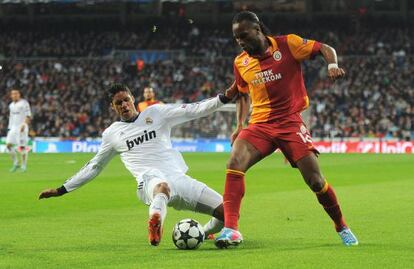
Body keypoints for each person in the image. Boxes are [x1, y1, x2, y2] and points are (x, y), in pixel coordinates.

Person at [215, 11, 358, 248]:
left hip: (290, 122)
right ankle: (231, 229)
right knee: (234, 163)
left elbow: (324, 47)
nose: (240, 41)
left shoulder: (288, 44)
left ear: (258, 30)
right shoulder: (241, 62)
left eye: (244, 35)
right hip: (260, 125)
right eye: (236, 37)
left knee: (315, 180)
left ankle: (341, 225)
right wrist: (239, 126)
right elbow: (242, 95)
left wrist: (332, 64)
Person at [39, 83, 236, 246]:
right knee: (162, 187)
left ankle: (203, 231)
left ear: (133, 98)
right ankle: (155, 223)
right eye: (118, 103)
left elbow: (194, 109)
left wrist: (224, 97)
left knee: (227, 211)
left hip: (179, 178)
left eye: (126, 100)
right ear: (113, 107)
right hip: (149, 181)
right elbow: (94, 166)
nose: (124, 105)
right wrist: (62, 189)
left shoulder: (156, 113)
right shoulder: (112, 134)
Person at [6, 88, 31, 172]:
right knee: (8, 145)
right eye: (13, 94)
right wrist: (10, 127)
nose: (14, 95)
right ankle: (16, 163)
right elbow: (11, 117)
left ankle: (23, 166)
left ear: (19, 94)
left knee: (22, 147)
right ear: (11, 95)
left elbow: (28, 115)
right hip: (13, 128)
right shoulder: (11, 105)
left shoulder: (24, 103)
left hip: (21, 128)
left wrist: (24, 124)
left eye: (16, 93)